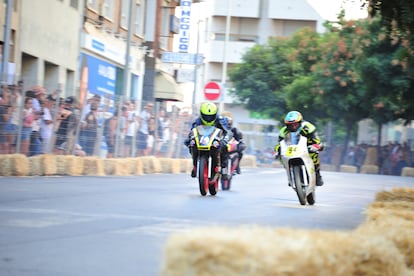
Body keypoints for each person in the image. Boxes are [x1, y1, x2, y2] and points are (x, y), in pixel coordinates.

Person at [274, 111, 324, 186]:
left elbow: (316, 140)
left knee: (314, 154)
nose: (293, 127)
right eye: (290, 125)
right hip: (291, 150)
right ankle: (291, 175)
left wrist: (317, 146)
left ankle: (317, 174)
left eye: (295, 124)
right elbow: (279, 144)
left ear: (300, 122)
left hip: (306, 147)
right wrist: (277, 150)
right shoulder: (283, 131)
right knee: (282, 157)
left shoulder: (308, 127)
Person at [185, 102, 233, 179]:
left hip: (216, 141)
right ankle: (195, 165)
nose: (208, 118)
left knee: (224, 146)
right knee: (191, 144)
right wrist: (190, 139)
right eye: (206, 116)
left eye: (210, 116)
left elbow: (228, 131)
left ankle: (224, 168)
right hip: (202, 141)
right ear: (201, 114)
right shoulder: (198, 121)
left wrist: (225, 139)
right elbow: (192, 132)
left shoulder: (220, 119)